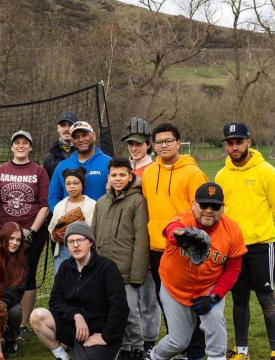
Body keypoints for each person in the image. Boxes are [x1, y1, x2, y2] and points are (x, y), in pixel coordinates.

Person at [214, 122, 275, 360]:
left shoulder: (267, 171)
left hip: (261, 247)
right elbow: (219, 212)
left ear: (249, 141)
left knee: (266, 298)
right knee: (239, 300)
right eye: (230, 143)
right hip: (234, 249)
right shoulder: (221, 175)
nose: (234, 147)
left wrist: (266, 231)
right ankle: (242, 351)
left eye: (239, 142)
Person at [149, 182, 247, 360]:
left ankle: (216, 357)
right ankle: (154, 356)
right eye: (204, 205)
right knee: (178, 342)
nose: (208, 210)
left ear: (222, 208)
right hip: (174, 288)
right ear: (194, 204)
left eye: (215, 206)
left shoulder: (232, 231)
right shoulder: (184, 219)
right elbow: (172, 228)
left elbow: (233, 269)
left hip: (209, 286)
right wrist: (181, 236)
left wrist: (215, 296)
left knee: (215, 321)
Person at [141, 122, 207, 359]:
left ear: (178, 143)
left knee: (189, 301)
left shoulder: (193, 173)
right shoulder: (149, 173)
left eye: (168, 141)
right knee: (166, 302)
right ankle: (177, 346)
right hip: (157, 249)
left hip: (183, 250)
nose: (163, 146)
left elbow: (202, 212)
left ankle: (195, 351)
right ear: (153, 145)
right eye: (159, 142)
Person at [30, 221, 129, 360]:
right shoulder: (65, 267)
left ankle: (107, 350)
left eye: (80, 240)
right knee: (37, 316)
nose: (75, 245)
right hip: (74, 326)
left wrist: (106, 337)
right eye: (71, 242)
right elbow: (55, 301)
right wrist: (76, 315)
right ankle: (61, 355)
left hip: (99, 331)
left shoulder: (107, 268)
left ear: (90, 242)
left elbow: (120, 307)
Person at [0, 129, 50, 341]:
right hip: (5, 233)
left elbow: (44, 205)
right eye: (17, 142)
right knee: (0, 273)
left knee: (27, 275)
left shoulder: (39, 172)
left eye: (25, 142)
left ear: (30, 147)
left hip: (31, 233)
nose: (21, 146)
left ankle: (22, 324)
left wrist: (32, 230)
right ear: (12, 146)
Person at [92, 158, 150, 360]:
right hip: (104, 269)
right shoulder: (101, 202)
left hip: (126, 270)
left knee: (130, 312)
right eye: (114, 175)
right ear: (108, 177)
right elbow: (94, 235)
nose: (117, 179)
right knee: (112, 311)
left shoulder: (137, 201)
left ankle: (137, 346)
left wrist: (137, 275)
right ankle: (123, 347)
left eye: (122, 175)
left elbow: (141, 240)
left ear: (130, 176)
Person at [120, 117, 159, 353]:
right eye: (130, 144)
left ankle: (149, 340)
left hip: (147, 238)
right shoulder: (123, 169)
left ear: (148, 144)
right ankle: (132, 340)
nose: (134, 148)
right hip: (125, 240)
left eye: (139, 144)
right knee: (127, 296)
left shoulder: (154, 169)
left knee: (148, 295)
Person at [47, 121, 111, 211]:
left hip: (100, 218)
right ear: (72, 141)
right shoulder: (62, 166)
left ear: (94, 136)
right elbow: (53, 197)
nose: (81, 139)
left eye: (85, 135)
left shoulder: (109, 163)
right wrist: (62, 216)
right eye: (76, 137)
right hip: (69, 219)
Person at [0, 222, 27, 357]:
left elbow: (17, 291)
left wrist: (2, 303)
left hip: (6, 301)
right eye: (11, 238)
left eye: (18, 240)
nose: (15, 243)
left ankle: (10, 340)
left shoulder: (23, 262)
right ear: (3, 237)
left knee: (15, 310)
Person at [48, 168, 95, 273]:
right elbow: (52, 228)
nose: (72, 186)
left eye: (76, 183)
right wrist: (55, 235)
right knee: (62, 279)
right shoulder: (60, 206)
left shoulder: (93, 205)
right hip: (64, 249)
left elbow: (94, 230)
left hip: (85, 249)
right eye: (68, 183)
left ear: (83, 184)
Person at [43, 111, 77, 178]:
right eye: (63, 125)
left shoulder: (85, 153)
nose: (66, 129)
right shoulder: (49, 157)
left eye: (70, 125)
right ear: (58, 128)